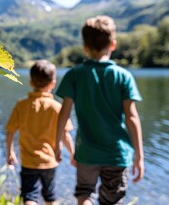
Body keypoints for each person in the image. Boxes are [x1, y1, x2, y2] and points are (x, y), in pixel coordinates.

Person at [54, 15, 144, 205]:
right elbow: (132, 118)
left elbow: (64, 113)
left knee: (85, 194)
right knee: (112, 200)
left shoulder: (74, 75)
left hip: (87, 152)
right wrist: (139, 156)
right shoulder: (123, 76)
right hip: (117, 153)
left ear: (85, 47)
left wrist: (56, 144)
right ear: (113, 44)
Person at [6, 59, 75, 205]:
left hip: (28, 161)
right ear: (53, 83)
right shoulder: (57, 108)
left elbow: (10, 131)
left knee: (30, 196)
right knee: (50, 195)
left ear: (31, 82)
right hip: (49, 161)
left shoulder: (21, 105)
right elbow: (65, 135)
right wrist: (73, 154)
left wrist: (10, 152)